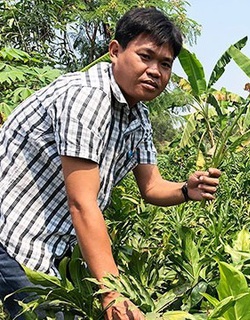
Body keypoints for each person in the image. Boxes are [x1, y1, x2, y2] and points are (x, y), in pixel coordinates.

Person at [0, 7, 220, 320]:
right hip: (12, 234)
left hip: (53, 246)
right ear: (115, 51)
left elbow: (152, 186)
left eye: (165, 64)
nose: (155, 71)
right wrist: (112, 294)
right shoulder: (86, 97)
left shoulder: (137, 115)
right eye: (146, 56)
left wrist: (186, 189)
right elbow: (82, 203)